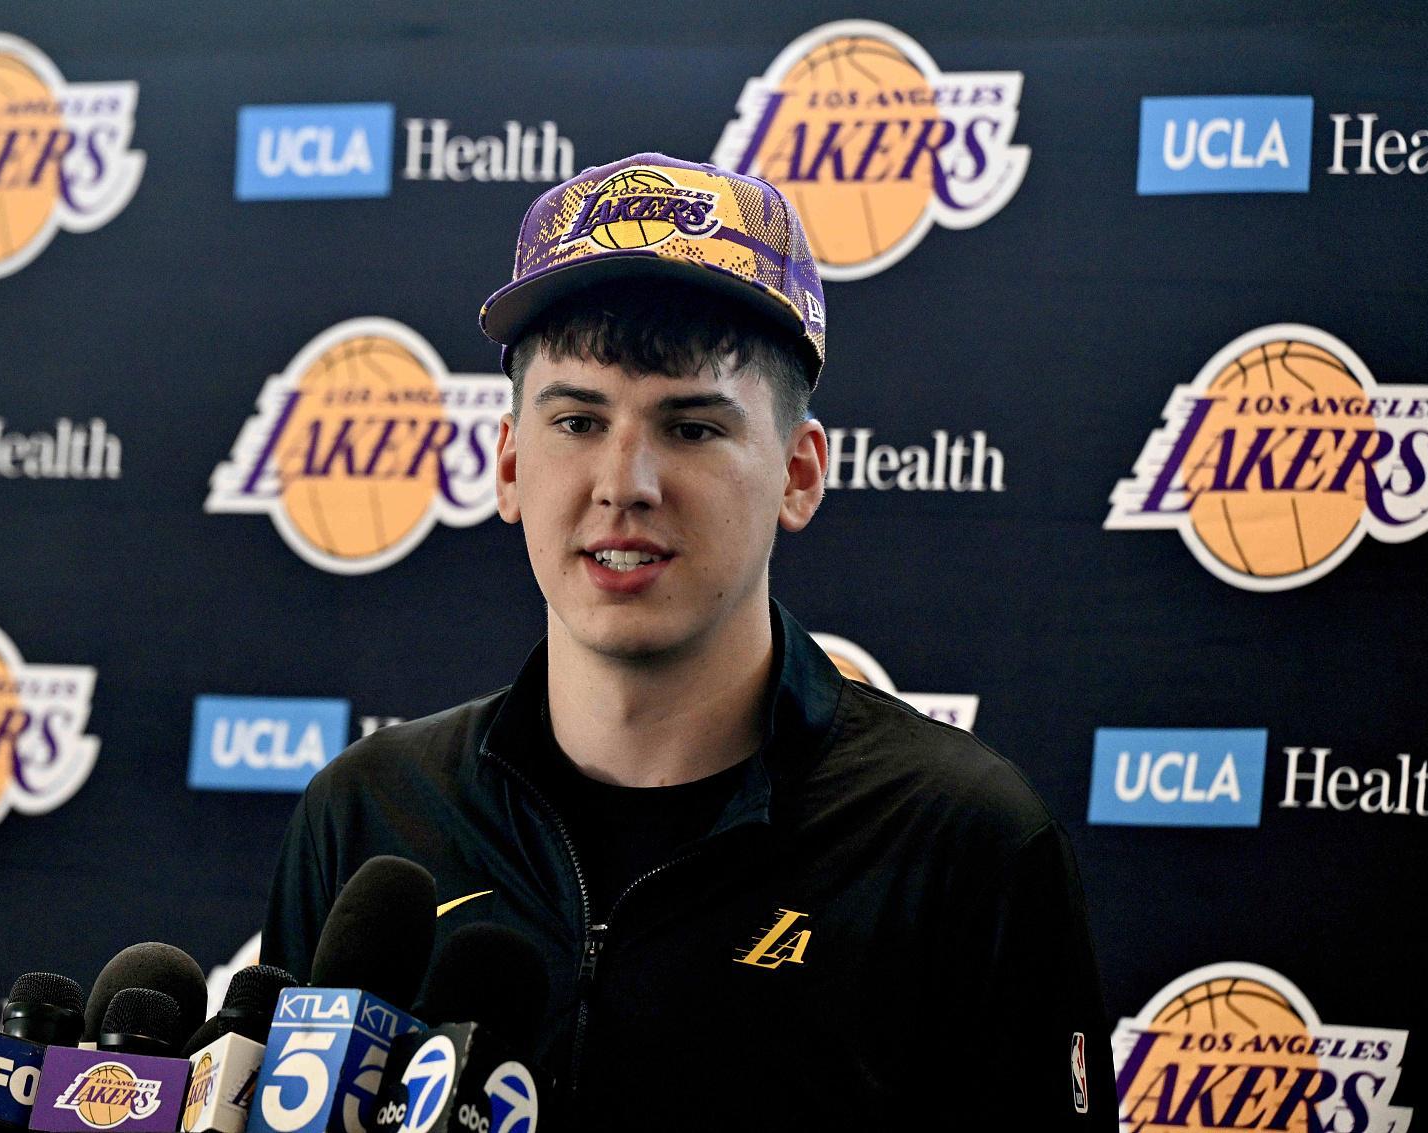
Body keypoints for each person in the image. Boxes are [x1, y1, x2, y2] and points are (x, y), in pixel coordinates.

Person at [263, 152, 1116, 1129]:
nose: (623, 482)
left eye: (693, 428)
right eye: (577, 420)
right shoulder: (364, 815)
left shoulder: (965, 841)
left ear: (799, 473)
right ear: (507, 464)